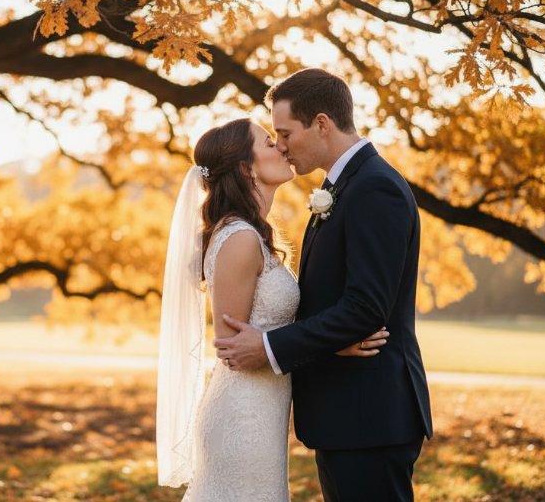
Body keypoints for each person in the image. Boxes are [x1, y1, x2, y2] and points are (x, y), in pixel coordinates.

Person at [214, 69, 433, 502]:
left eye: (285, 133)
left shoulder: (374, 188)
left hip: (369, 415)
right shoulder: (343, 187)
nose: (280, 145)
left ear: (320, 124)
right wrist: (329, 343)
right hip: (347, 414)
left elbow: (366, 308)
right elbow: (331, 301)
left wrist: (271, 347)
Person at [156, 118, 388, 501]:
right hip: (243, 417)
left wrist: (329, 341)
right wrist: (329, 347)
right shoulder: (240, 239)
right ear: (247, 168)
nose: (282, 147)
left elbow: (266, 338)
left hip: (264, 411)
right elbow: (234, 350)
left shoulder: (254, 234)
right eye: (269, 142)